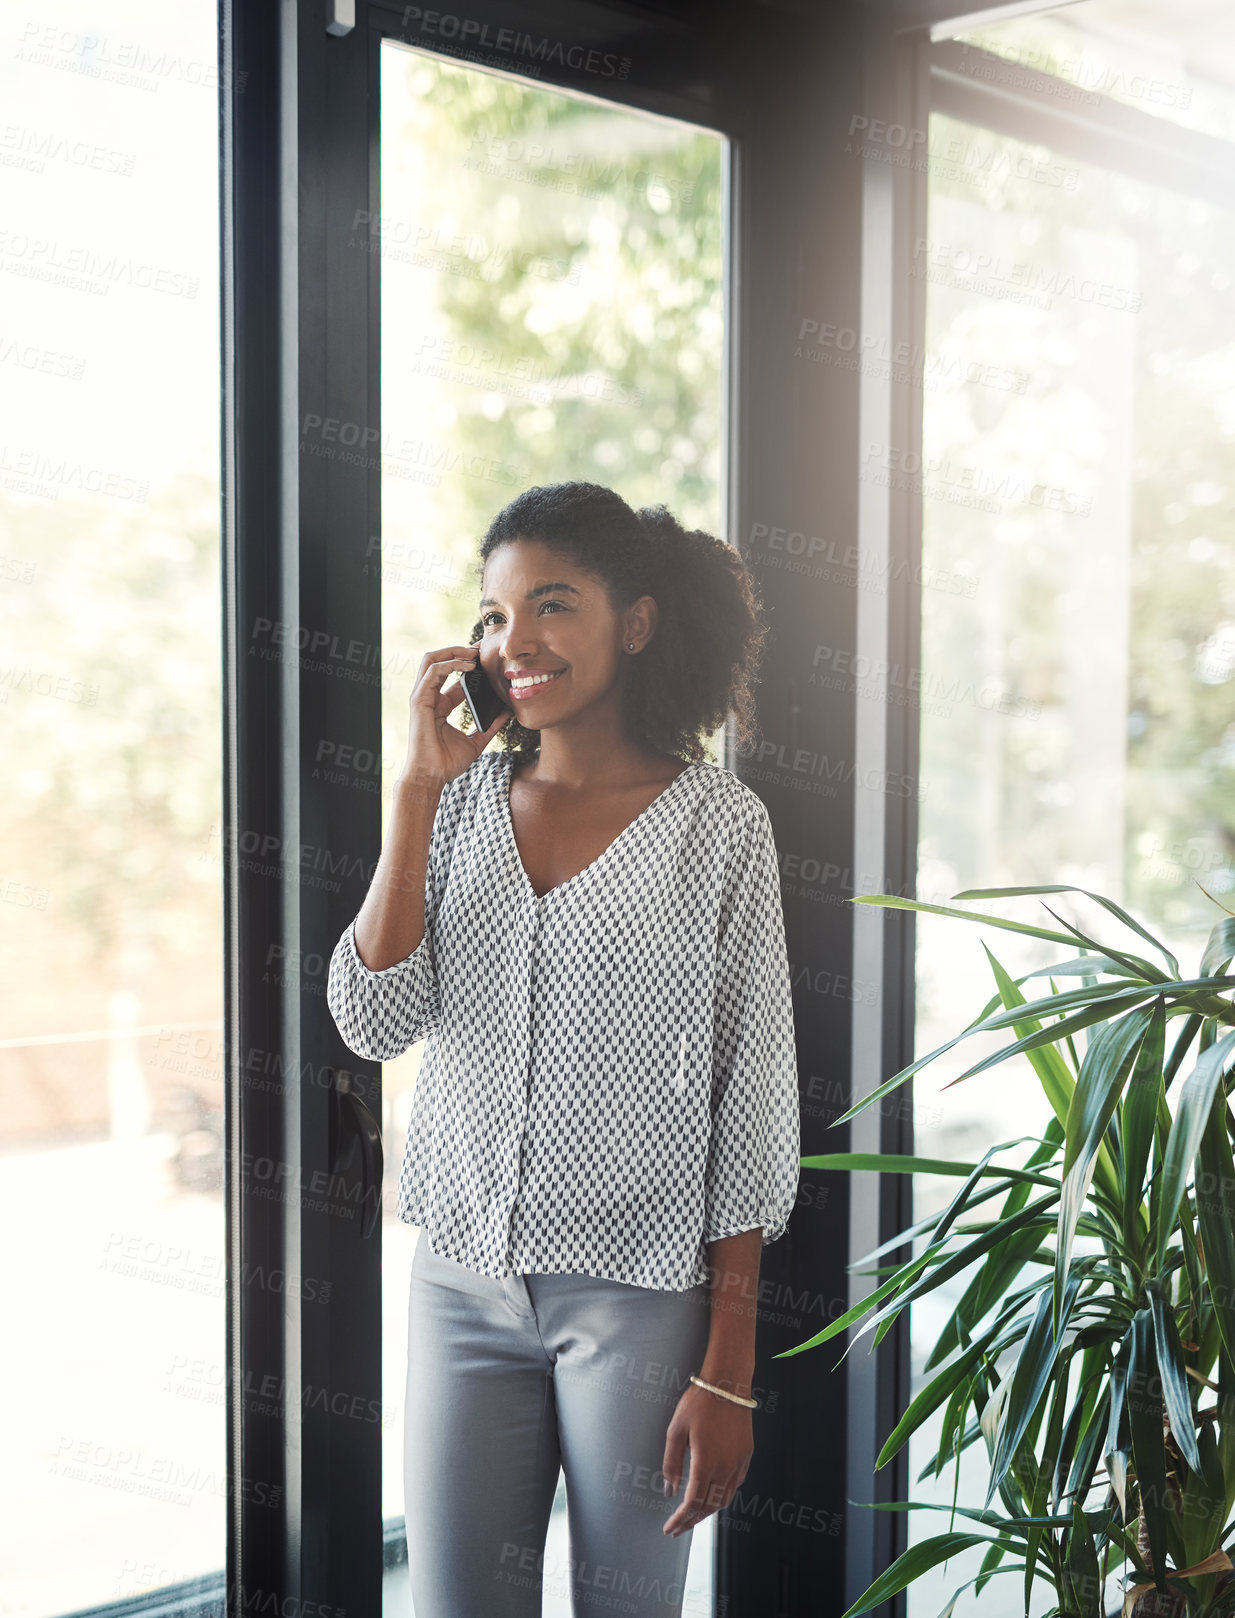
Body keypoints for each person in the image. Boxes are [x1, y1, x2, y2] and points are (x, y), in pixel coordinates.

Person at [326, 481, 800, 1618]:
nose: (513, 641)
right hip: (458, 1288)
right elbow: (371, 1018)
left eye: (551, 603)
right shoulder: (462, 803)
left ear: (633, 621)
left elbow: (753, 1109)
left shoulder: (719, 826)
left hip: (640, 1303)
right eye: (492, 615)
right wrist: (414, 793)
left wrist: (724, 1368)